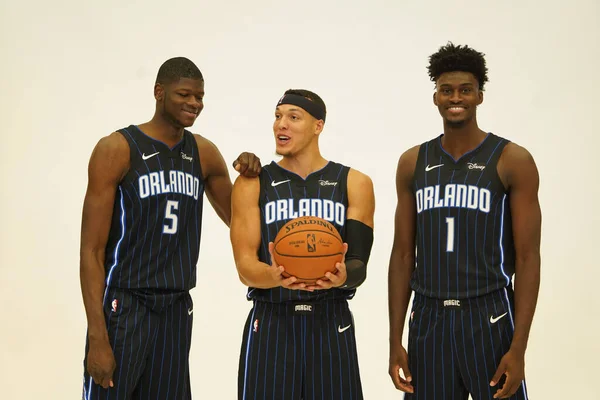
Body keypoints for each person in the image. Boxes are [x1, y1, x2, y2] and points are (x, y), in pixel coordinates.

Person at [79, 56, 261, 399]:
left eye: (200, 97)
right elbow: (90, 251)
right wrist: (97, 337)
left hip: (176, 307)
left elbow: (243, 221)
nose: (194, 104)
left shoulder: (204, 153)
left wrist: (251, 178)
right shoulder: (117, 149)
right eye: (184, 95)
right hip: (126, 303)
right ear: (159, 92)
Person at [388, 43, 541, 400]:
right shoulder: (412, 162)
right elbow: (400, 257)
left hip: (489, 314)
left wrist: (518, 349)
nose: (455, 98)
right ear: (435, 97)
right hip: (428, 317)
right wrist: (395, 340)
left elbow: (528, 258)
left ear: (479, 96)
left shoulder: (511, 159)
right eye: (446, 90)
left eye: (465, 90)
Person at [230, 89, 375, 400]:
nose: (281, 124)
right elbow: (244, 266)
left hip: (330, 319)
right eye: (278, 116)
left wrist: (342, 277)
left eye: (293, 117)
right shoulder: (252, 183)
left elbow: (360, 264)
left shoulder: (354, 182)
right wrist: (273, 276)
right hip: (271, 320)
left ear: (318, 125)